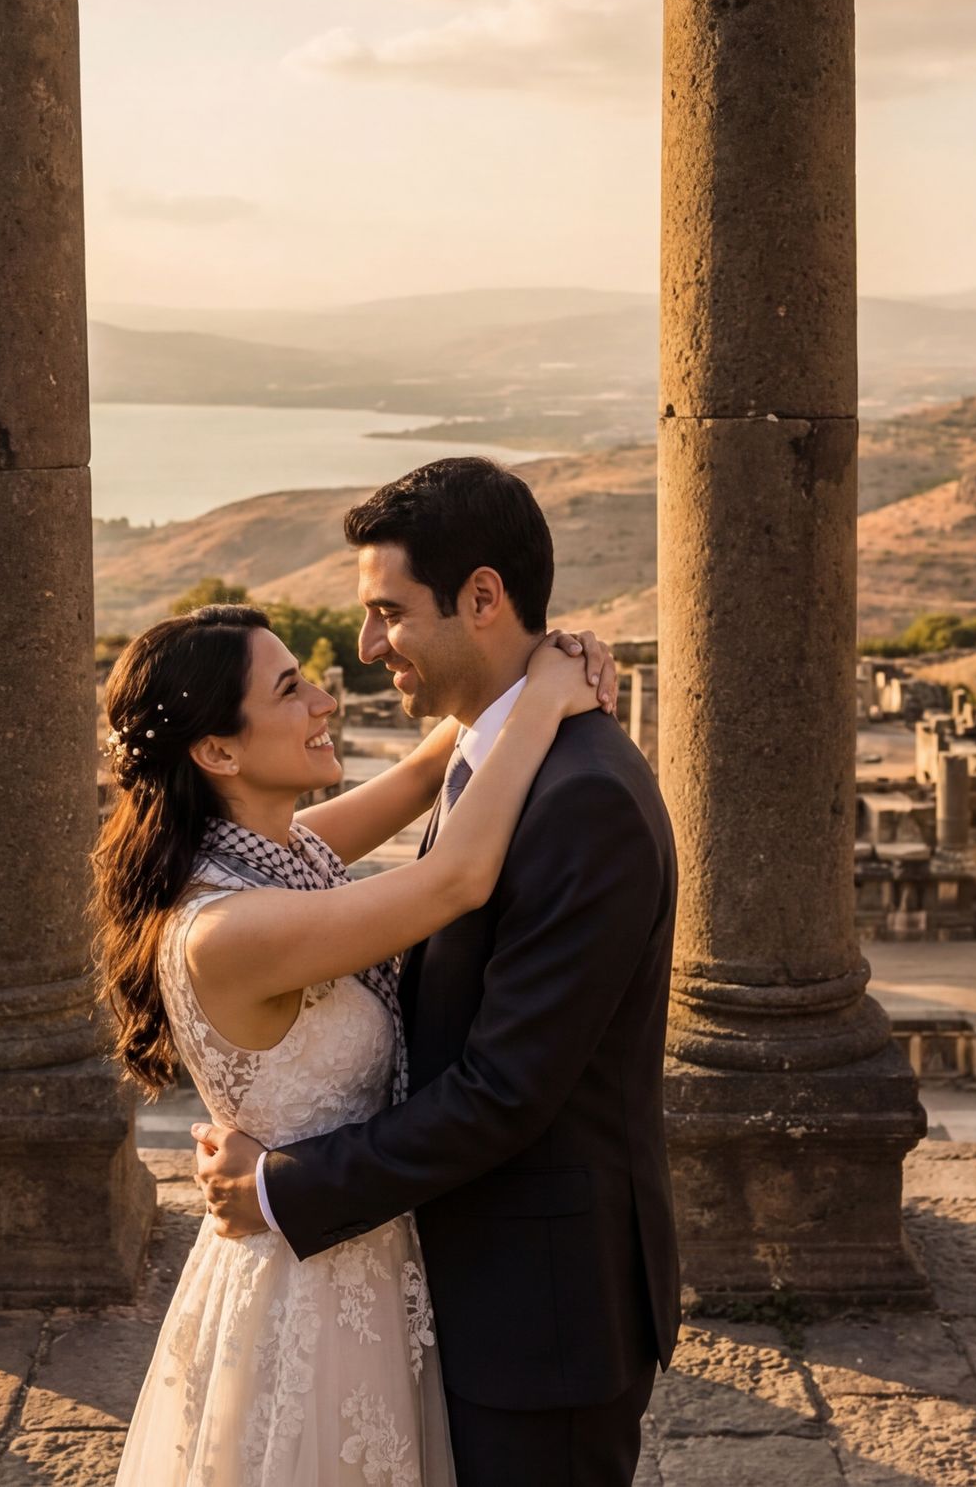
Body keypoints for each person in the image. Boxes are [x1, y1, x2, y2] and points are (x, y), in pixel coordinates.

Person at [195, 458, 679, 1487]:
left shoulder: (579, 797)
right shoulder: (499, 757)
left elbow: (508, 1091)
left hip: (540, 1321)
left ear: (485, 599)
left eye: (387, 613)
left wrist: (284, 1188)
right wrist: (539, 681)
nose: (366, 653)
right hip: (458, 1293)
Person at [99, 584, 618, 1487]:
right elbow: (454, 880)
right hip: (311, 1291)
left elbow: (428, 772)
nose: (326, 701)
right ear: (218, 748)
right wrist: (541, 698)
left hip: (357, 1249)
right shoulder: (230, 928)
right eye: (292, 688)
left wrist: (538, 657)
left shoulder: (279, 852)